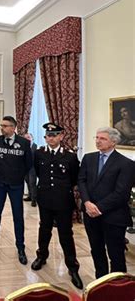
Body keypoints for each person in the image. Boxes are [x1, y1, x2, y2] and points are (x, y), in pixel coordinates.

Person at [30, 123, 83, 289]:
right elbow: (38, 172)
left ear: (61, 137)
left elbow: (74, 178)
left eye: (54, 135)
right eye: (48, 136)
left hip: (63, 201)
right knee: (44, 229)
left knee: (65, 233)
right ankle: (42, 256)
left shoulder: (70, 156)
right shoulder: (39, 154)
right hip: (45, 198)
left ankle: (72, 267)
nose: (50, 138)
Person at [78, 127, 135, 278]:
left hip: (114, 217)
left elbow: (121, 193)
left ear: (114, 142)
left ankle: (118, 287)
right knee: (96, 251)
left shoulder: (126, 163)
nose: (98, 141)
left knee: (116, 254)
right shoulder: (88, 158)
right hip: (91, 215)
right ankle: (100, 283)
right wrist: (87, 203)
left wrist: (98, 207)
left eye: (102, 138)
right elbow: (81, 181)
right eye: (96, 137)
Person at [0, 116, 32, 265]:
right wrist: (1, 171)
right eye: (1, 125)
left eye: (5, 126)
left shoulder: (24, 143)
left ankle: (20, 247)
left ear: (13, 127)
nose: (2, 128)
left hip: (16, 185)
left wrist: (16, 175)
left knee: (18, 215)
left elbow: (28, 164)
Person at [23, 133, 38, 207]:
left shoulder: (35, 146)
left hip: (33, 168)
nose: (27, 139)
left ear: (32, 138)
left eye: (28, 137)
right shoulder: (24, 146)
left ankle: (34, 200)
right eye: (25, 138)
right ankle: (30, 196)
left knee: (32, 183)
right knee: (28, 182)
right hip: (25, 168)